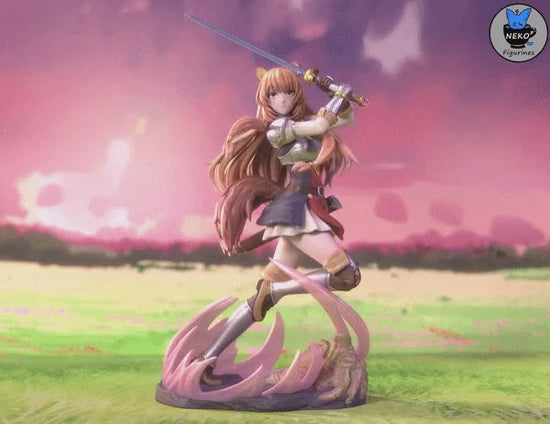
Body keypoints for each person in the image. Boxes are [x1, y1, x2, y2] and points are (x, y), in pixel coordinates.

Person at [202, 66, 362, 385]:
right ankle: (277, 289)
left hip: (306, 209)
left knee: (261, 298)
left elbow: (342, 120)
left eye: (289, 92)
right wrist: (337, 99)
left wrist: (342, 97)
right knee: (347, 276)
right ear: (266, 99)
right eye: (274, 94)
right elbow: (321, 124)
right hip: (298, 213)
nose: (283, 99)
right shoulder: (278, 128)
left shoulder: (302, 124)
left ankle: (207, 360)